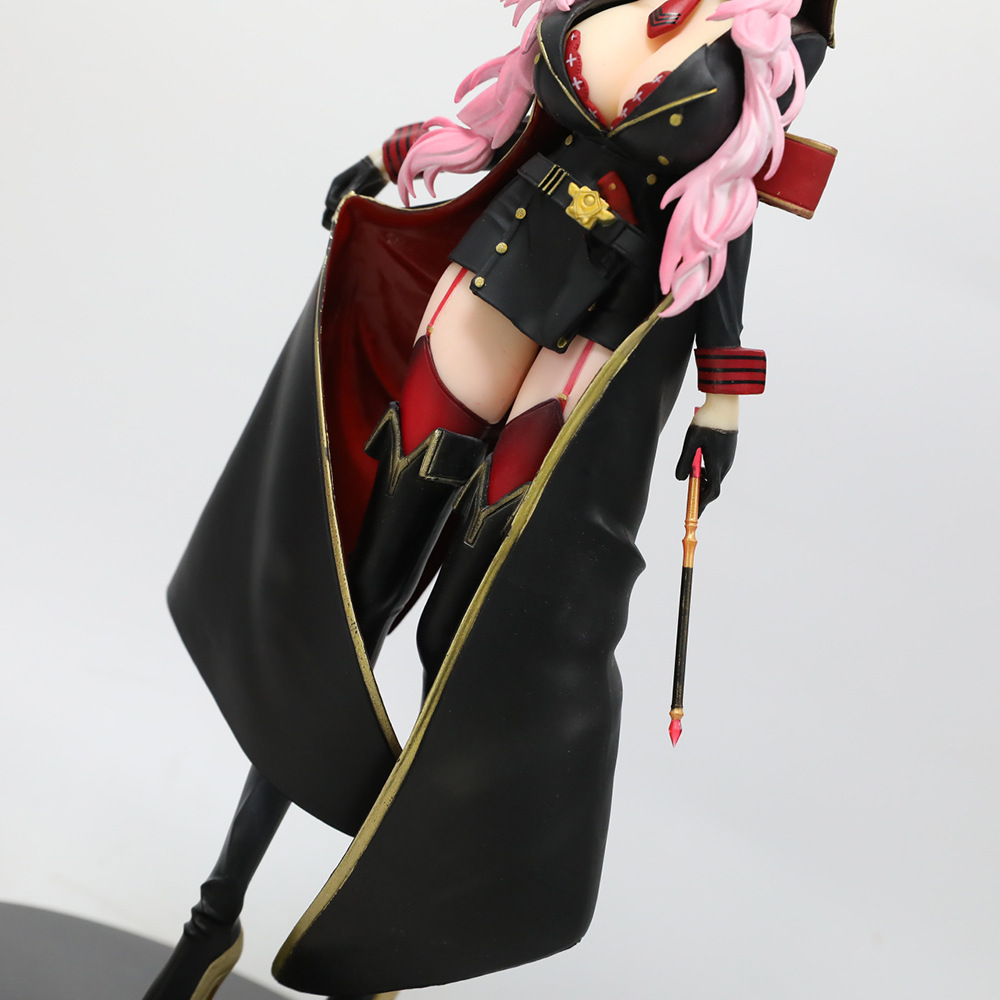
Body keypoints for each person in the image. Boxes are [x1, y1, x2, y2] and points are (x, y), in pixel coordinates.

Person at [142, 1, 835, 997]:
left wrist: (722, 399)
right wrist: (391, 157)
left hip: (607, 319)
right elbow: (510, 117)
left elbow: (729, 214)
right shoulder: (599, 0)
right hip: (502, 259)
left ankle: (383, 945)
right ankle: (215, 918)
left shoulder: (774, 46)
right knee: (356, 600)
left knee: (467, 640)